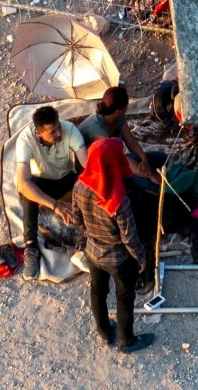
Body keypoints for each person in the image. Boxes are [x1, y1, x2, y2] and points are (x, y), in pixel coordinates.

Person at [69, 138, 154, 353]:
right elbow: (129, 237)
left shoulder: (79, 185)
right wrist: (141, 258)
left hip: (93, 252)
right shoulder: (119, 200)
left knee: (97, 290)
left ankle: (105, 331)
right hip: (118, 259)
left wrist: (89, 234)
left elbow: (77, 218)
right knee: (124, 298)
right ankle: (127, 341)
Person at [9, 105, 86, 248]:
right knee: (28, 188)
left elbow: (86, 164)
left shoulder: (69, 130)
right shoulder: (25, 141)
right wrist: (55, 205)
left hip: (66, 178)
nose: (59, 133)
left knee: (87, 180)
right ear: (39, 133)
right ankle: (31, 243)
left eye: (59, 127)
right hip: (43, 183)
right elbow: (23, 183)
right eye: (52, 132)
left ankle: (85, 233)